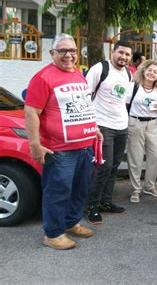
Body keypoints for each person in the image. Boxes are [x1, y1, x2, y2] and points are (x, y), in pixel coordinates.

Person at [24, 33, 100, 250]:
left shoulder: (77, 74)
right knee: (57, 192)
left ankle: (71, 222)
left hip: (84, 147)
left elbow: (83, 105)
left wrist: (93, 129)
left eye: (72, 50)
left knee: (79, 189)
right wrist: (35, 144)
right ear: (52, 53)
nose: (68, 55)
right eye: (62, 51)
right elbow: (31, 113)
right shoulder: (43, 78)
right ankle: (53, 233)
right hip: (58, 150)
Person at [85, 40, 133, 225]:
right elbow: (85, 96)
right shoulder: (100, 68)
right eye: (121, 52)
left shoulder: (128, 73)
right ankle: (92, 206)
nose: (124, 57)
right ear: (112, 52)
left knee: (114, 167)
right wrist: (93, 124)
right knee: (103, 167)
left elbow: (124, 100)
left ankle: (105, 201)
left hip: (121, 126)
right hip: (102, 126)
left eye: (127, 54)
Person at [126, 60, 157, 203]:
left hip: (153, 124)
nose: (152, 73)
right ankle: (135, 189)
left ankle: (149, 186)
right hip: (135, 123)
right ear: (143, 70)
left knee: (155, 156)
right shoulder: (133, 86)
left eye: (155, 72)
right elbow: (125, 104)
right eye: (149, 70)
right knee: (135, 158)